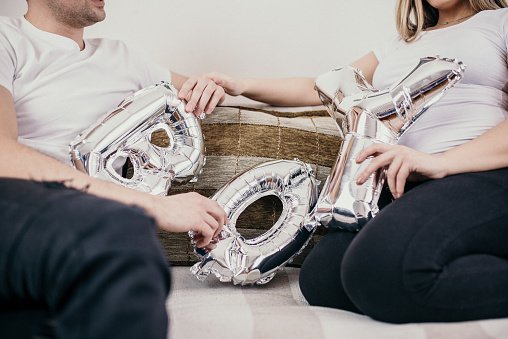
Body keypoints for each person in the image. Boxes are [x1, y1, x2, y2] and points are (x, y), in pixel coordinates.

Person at [193, 0, 508, 324]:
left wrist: (441, 162)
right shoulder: (401, 43)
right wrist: (240, 86)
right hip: (404, 185)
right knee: (322, 279)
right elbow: (322, 88)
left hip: (482, 177)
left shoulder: (499, 23)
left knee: (385, 269)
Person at [0, 0, 227, 338]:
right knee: (123, 233)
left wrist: (219, 86)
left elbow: (208, 92)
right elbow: (3, 155)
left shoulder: (125, 58)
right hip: (20, 204)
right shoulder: (7, 39)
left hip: (71, 235)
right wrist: (151, 206)